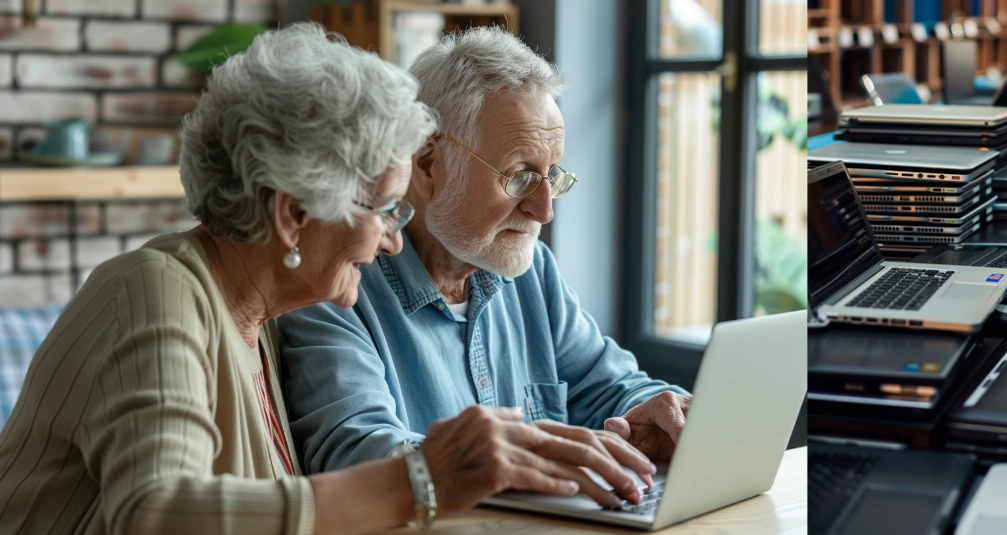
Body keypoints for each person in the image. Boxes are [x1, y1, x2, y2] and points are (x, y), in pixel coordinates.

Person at [0, 23, 651, 535]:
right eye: (384, 209)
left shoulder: (260, 318)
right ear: (293, 215)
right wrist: (423, 478)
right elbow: (158, 512)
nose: (396, 237)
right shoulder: (154, 292)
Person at [277, 26, 693, 484]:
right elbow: (353, 452)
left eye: (552, 177)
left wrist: (660, 410)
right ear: (428, 164)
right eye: (518, 177)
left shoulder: (530, 271)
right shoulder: (335, 285)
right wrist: (497, 459)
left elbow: (609, 387)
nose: (545, 210)